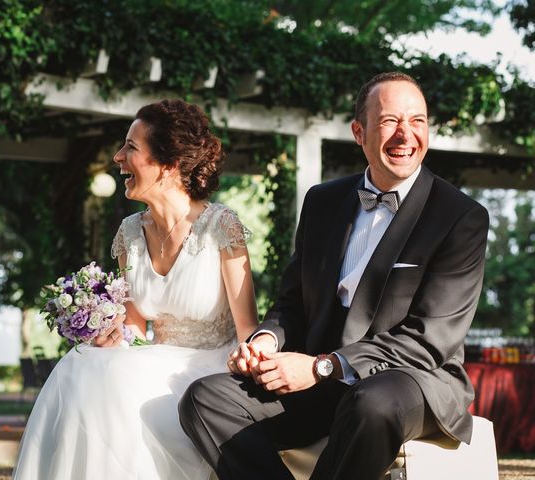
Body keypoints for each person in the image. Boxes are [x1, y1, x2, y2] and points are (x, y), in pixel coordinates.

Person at [179, 72, 490, 480]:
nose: (406, 135)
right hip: (318, 378)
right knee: (204, 399)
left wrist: (321, 367)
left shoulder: (460, 217)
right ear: (359, 132)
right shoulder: (322, 201)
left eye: (417, 121)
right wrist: (265, 341)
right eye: (390, 121)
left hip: (411, 381)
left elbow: (428, 341)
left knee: (371, 403)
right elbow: (293, 304)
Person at [12, 99, 259, 480]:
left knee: (102, 379)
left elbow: (248, 334)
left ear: (169, 164)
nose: (117, 157)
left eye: (131, 147)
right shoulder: (130, 232)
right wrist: (114, 336)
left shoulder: (221, 227)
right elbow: (133, 329)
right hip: (153, 360)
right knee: (81, 362)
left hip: (207, 369)